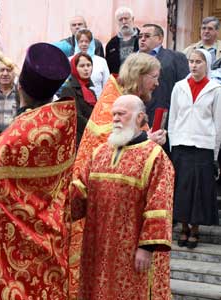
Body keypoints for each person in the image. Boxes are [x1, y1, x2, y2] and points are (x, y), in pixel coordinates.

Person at [0, 42, 74, 299]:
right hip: (51, 235)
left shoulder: (22, 133)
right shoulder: (63, 122)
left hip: (20, 243)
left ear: (20, 88)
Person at [69, 53, 168, 298]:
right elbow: (80, 188)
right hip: (99, 235)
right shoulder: (103, 145)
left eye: (120, 116)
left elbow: (159, 203)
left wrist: (147, 246)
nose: (156, 84)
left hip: (132, 237)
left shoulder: (155, 157)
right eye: (153, 77)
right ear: (139, 76)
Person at [169, 49, 221, 249]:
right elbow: (173, 117)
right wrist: (173, 143)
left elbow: (217, 123)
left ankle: (195, 229)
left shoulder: (215, 89)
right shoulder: (179, 87)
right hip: (181, 145)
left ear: (206, 64)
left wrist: (215, 152)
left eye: (198, 61)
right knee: (181, 189)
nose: (194, 65)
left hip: (203, 146)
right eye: (191, 61)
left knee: (199, 190)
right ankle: (183, 226)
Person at [138, 23, 189, 125]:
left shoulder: (176, 58)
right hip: (137, 115)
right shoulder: (132, 59)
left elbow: (184, 89)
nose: (142, 39)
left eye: (147, 36)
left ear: (160, 39)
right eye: (140, 36)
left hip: (164, 116)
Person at [61, 52, 96, 146]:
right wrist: (94, 128)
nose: (86, 69)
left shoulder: (91, 90)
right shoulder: (68, 89)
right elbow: (75, 116)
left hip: (91, 137)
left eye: (89, 65)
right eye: (82, 66)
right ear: (74, 68)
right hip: (77, 140)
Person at [73, 29, 109, 97]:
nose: (84, 44)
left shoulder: (101, 61)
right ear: (77, 43)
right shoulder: (70, 60)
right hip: (76, 102)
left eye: (87, 41)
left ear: (91, 43)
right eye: (81, 41)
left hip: (97, 103)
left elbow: (106, 85)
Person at [105, 6, 139, 75]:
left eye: (126, 18)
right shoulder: (111, 44)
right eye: (120, 19)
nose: (124, 22)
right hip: (118, 83)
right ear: (117, 22)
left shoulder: (142, 38)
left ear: (132, 19)